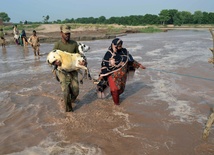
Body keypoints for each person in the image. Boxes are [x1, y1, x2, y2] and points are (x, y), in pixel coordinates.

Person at [96, 38, 146, 105]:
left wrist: (139, 65)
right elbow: (104, 64)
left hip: (122, 76)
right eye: (118, 45)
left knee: (120, 90)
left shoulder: (124, 51)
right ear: (114, 45)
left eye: (121, 45)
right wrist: (102, 74)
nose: (120, 47)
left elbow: (130, 60)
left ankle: (114, 99)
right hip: (113, 76)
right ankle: (116, 106)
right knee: (115, 90)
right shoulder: (109, 53)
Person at [52, 25, 80, 112]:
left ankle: (71, 99)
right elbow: (51, 57)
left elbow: (79, 56)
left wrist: (82, 62)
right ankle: (69, 111)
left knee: (76, 91)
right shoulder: (57, 45)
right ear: (61, 33)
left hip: (73, 70)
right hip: (62, 71)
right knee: (66, 90)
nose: (68, 35)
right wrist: (55, 62)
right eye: (66, 33)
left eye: (69, 33)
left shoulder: (74, 44)